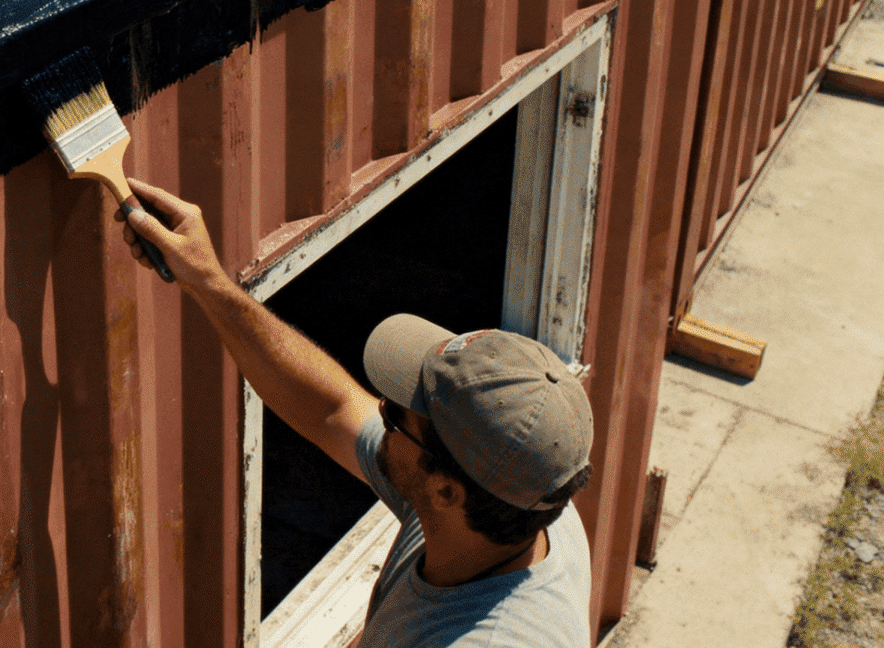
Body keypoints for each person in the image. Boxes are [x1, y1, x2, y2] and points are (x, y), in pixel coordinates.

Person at [119, 177, 594, 647]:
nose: (381, 406)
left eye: (396, 419)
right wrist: (209, 282)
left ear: (446, 490)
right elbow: (332, 406)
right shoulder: (526, 496)